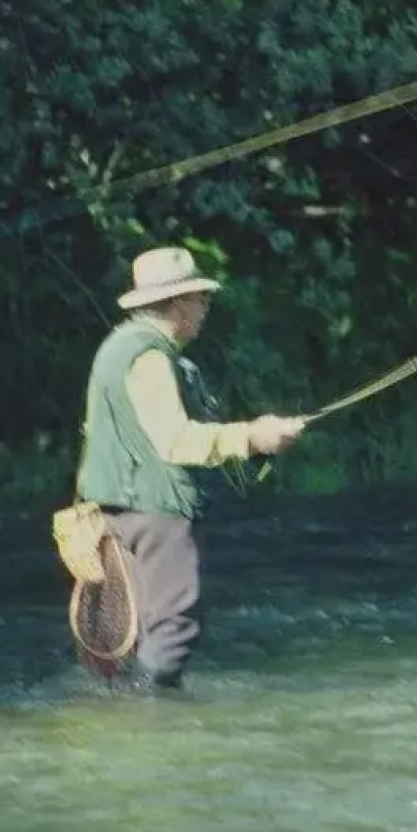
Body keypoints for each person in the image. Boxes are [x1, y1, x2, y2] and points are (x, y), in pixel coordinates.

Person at [74, 246, 307, 692]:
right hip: (154, 511)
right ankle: (150, 721)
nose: (204, 309)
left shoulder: (118, 346)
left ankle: (126, 716)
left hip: (115, 511)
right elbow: (175, 441)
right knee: (175, 626)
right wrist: (253, 437)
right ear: (180, 302)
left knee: (136, 631)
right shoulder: (149, 356)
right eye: (202, 299)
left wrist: (257, 444)